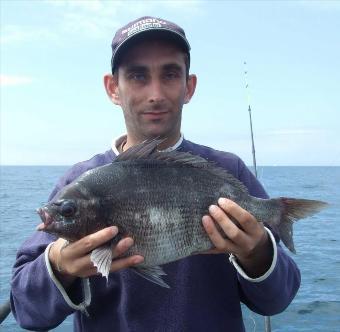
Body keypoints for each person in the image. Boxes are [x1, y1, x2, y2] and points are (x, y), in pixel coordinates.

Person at [10, 16, 300, 332]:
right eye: (137, 75)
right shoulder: (80, 183)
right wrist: (60, 265)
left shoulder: (229, 171)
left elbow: (278, 300)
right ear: (113, 88)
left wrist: (257, 252)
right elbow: (27, 312)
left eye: (170, 74)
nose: (156, 94)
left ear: (189, 86)